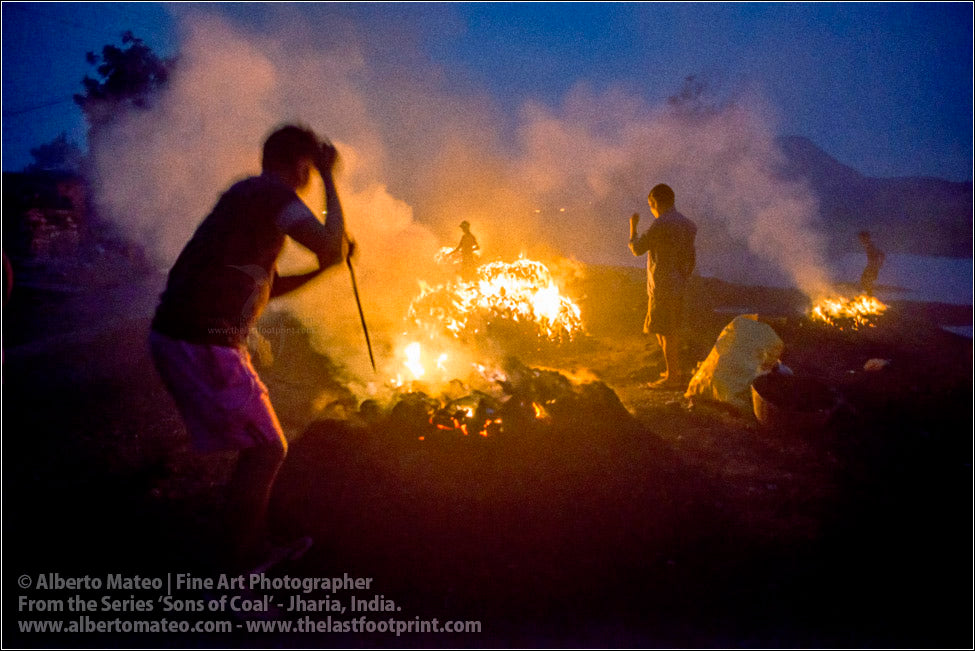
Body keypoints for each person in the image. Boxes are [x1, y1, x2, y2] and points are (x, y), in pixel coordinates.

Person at [149, 124, 354, 570]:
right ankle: (237, 571)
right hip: (200, 342)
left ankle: (250, 547)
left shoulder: (248, 198)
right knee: (267, 449)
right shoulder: (270, 194)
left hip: (188, 337)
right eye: (310, 169)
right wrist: (331, 177)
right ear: (300, 165)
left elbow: (264, 286)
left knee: (261, 447)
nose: (310, 178)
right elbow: (332, 248)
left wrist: (321, 271)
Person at [628, 183, 697, 390]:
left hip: (662, 286)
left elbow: (637, 248)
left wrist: (633, 227)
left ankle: (672, 377)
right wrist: (683, 275)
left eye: (651, 205)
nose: (652, 209)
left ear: (655, 203)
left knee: (666, 332)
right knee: (666, 329)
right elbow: (691, 257)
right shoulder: (687, 225)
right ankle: (672, 371)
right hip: (678, 284)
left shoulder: (661, 225)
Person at [858, 230, 885, 296]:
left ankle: (869, 296)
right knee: (865, 281)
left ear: (866, 238)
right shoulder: (868, 245)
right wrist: (880, 263)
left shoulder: (870, 246)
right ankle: (868, 296)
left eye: (861, 238)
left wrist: (880, 263)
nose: (860, 241)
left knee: (865, 281)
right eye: (860, 239)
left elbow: (881, 254)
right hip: (871, 266)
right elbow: (881, 254)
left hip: (872, 267)